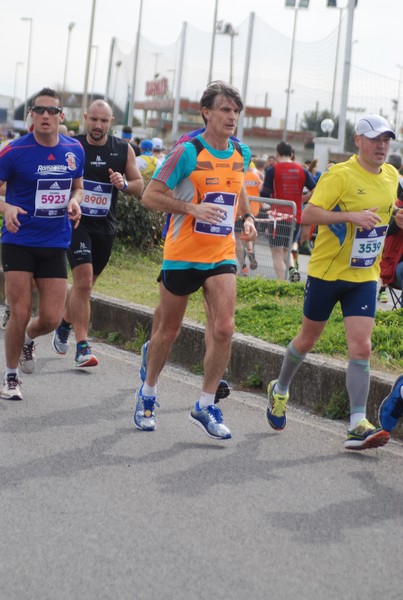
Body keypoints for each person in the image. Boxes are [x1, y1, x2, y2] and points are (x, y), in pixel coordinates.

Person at [265, 114, 398, 450]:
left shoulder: (393, 176)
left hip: (363, 276)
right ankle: (279, 389)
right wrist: (350, 216)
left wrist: (396, 219)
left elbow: (387, 216)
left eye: (386, 139)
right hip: (327, 272)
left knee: (362, 346)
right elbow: (307, 214)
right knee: (307, 339)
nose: (381, 146)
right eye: (375, 139)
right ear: (358, 140)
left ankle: (357, 423)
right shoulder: (339, 175)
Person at [134, 80, 256, 439]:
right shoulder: (187, 152)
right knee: (168, 332)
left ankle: (204, 404)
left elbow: (239, 188)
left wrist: (246, 218)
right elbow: (150, 195)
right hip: (182, 255)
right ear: (206, 112)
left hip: (220, 254)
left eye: (235, 111)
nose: (231, 116)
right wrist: (191, 209)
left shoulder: (241, 152)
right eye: (224, 109)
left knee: (224, 328)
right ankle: (148, 394)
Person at [0, 87, 84, 400]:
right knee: (20, 312)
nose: (46, 116)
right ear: (31, 116)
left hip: (54, 241)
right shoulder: (13, 151)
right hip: (19, 239)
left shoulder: (74, 149)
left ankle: (27, 340)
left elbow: (78, 185)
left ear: (61, 117)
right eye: (40, 110)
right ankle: (10, 378)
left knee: (49, 317)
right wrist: (6, 206)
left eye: (52, 111)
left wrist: (76, 201)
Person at [52, 100, 143, 367]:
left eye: (104, 121)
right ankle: (82, 346)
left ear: (111, 121)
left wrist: (123, 184)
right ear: (85, 118)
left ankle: (65, 323)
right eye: (94, 120)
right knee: (82, 281)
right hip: (76, 223)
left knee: (86, 285)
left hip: (105, 227)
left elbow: (139, 186)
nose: (98, 126)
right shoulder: (72, 145)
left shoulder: (122, 149)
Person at [260, 141, 316, 281]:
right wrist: (302, 199)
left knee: (277, 254)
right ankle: (292, 270)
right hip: (295, 215)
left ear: (277, 154)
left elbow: (265, 195)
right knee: (287, 249)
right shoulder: (302, 170)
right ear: (291, 154)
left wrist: (266, 208)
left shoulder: (272, 170)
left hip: (277, 217)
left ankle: (282, 284)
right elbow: (316, 189)